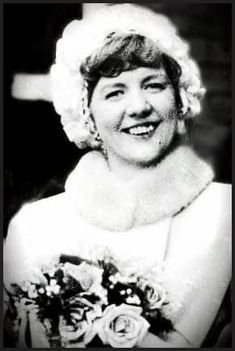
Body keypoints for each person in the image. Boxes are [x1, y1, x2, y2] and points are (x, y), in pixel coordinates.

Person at [3, 3, 231, 348]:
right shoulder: (34, 227)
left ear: (180, 97)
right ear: (87, 115)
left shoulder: (225, 211)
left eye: (154, 85)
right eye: (115, 92)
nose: (138, 107)